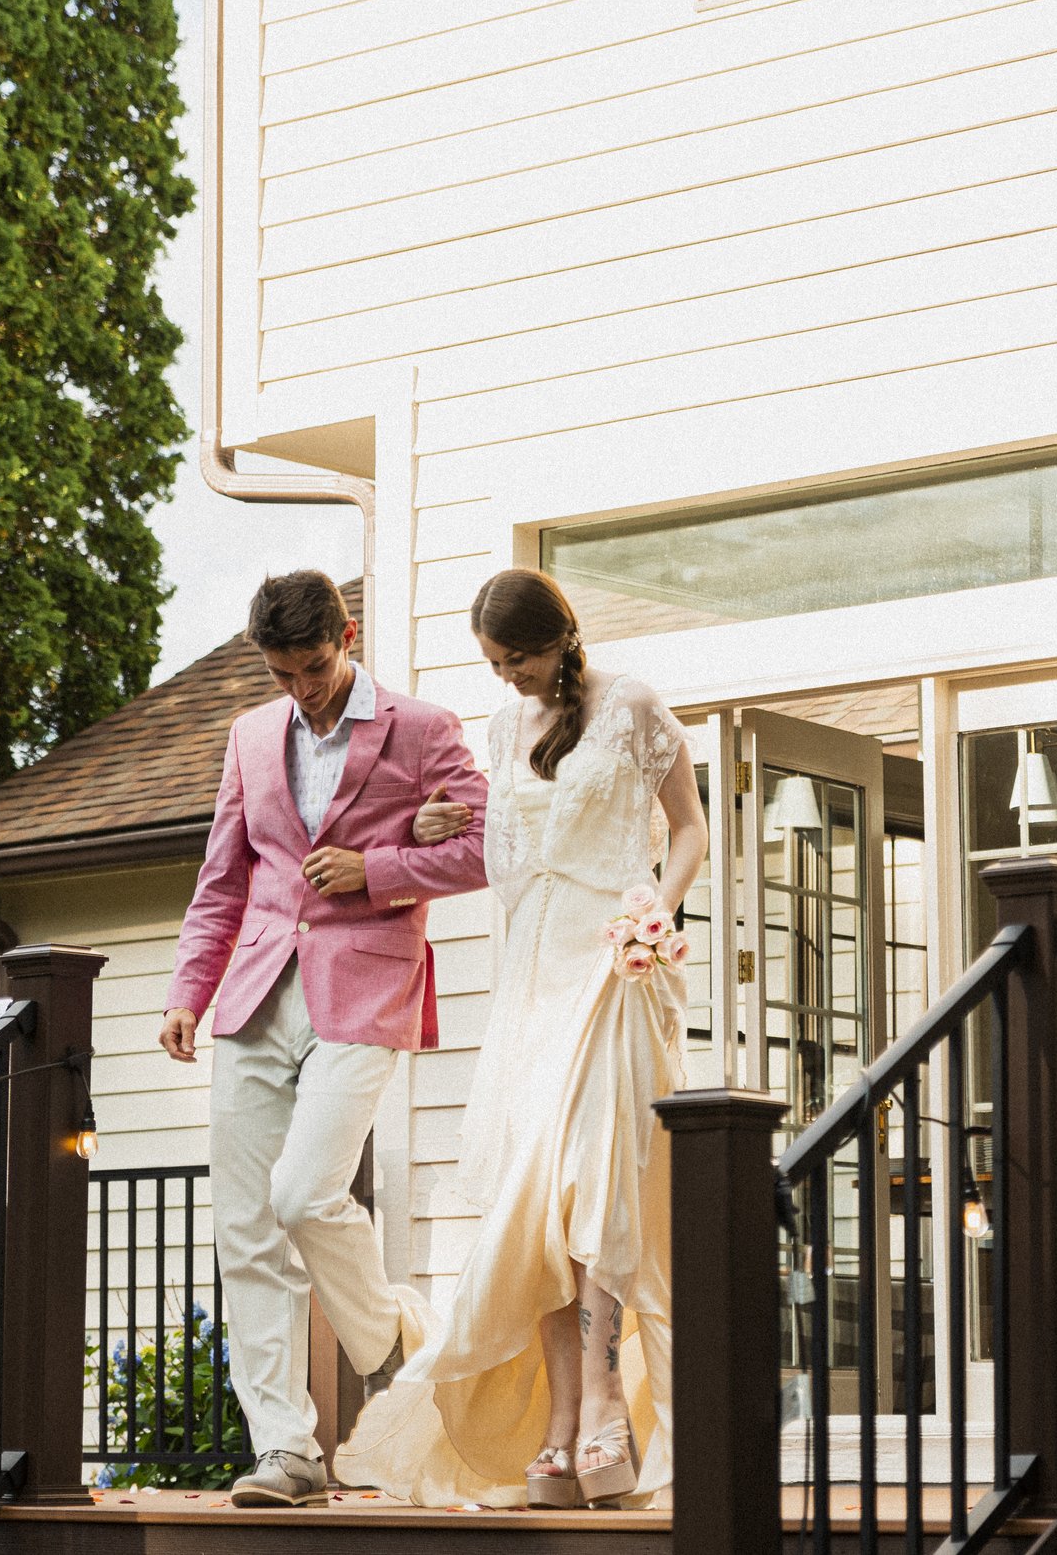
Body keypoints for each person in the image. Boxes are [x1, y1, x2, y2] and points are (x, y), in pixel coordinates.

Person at [336, 568, 707, 1510]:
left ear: (559, 639)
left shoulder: (631, 707)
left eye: (521, 658)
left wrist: (655, 913)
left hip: (612, 969)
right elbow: (504, 848)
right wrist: (437, 821)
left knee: (592, 1187)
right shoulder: (504, 729)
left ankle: (602, 1415)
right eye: (496, 664)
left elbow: (691, 827)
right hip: (531, 978)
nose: (509, 678)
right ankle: (558, 1419)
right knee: (534, 1205)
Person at [157, 571, 488, 1508]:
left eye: (314, 666)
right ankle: (286, 1450)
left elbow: (487, 843)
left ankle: (393, 1343)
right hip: (256, 991)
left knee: (305, 1194)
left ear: (346, 636)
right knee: (246, 1229)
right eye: (282, 673)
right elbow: (223, 876)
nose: (301, 689)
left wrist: (377, 867)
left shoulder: (423, 729)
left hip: (366, 983)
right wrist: (191, 989)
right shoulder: (250, 736)